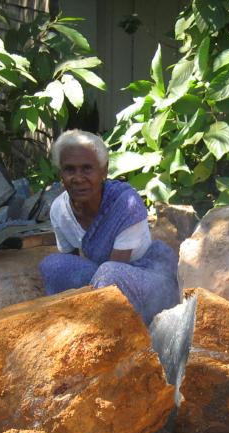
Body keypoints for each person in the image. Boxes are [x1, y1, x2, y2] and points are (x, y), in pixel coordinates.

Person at [39, 130, 180, 324]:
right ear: (61, 173)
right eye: (69, 169)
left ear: (104, 171)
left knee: (109, 274)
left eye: (87, 169)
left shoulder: (126, 204)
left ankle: (114, 334)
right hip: (100, 276)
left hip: (144, 278)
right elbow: (70, 263)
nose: (78, 178)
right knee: (52, 265)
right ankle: (76, 324)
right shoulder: (59, 210)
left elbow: (113, 280)